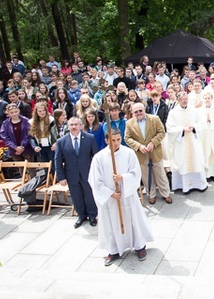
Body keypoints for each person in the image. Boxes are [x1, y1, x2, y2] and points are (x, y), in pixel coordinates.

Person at [89, 128, 154, 266]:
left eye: (118, 139)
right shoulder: (99, 158)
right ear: (106, 140)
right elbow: (95, 180)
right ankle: (113, 250)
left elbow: (135, 174)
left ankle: (139, 246)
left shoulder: (129, 153)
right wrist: (110, 193)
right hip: (110, 198)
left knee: (133, 220)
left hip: (126, 195)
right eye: (113, 140)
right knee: (111, 224)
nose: (116, 143)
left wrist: (122, 178)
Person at [54, 116, 99, 228]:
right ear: (68, 126)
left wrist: (98, 173)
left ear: (81, 126)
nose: (74, 127)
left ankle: (92, 215)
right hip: (71, 174)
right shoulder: (61, 141)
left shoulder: (90, 138)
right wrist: (61, 177)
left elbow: (96, 156)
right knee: (76, 196)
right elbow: (58, 160)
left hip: (87, 173)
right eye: (71, 125)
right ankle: (81, 215)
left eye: (76, 124)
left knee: (89, 195)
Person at [125, 102, 171, 204]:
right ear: (132, 113)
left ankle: (166, 193)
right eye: (136, 112)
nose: (138, 113)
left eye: (140, 111)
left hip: (154, 152)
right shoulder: (129, 123)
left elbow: (162, 132)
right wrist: (139, 146)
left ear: (144, 110)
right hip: (141, 154)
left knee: (160, 174)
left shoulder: (154, 119)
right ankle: (151, 194)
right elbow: (127, 138)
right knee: (146, 176)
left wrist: (153, 143)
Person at [166, 91, 208, 193]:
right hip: (181, 142)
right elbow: (169, 128)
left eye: (186, 99)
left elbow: (202, 123)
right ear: (178, 100)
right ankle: (185, 186)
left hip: (193, 139)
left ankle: (200, 185)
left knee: (196, 160)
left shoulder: (194, 110)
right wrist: (182, 129)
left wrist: (194, 127)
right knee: (183, 161)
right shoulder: (173, 112)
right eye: (182, 99)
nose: (185, 101)